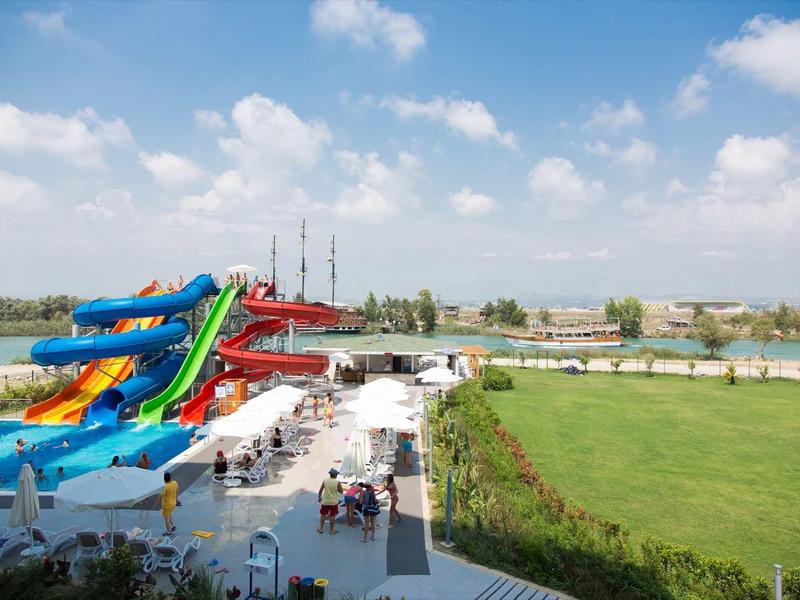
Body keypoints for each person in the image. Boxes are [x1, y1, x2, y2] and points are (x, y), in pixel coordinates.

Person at [317, 468, 343, 535]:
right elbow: (341, 491)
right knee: (332, 515)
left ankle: (321, 529)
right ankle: (331, 530)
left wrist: (319, 498)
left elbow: (320, 490)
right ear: (335, 475)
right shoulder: (337, 482)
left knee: (323, 514)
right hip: (334, 502)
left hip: (325, 501)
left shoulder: (325, 480)